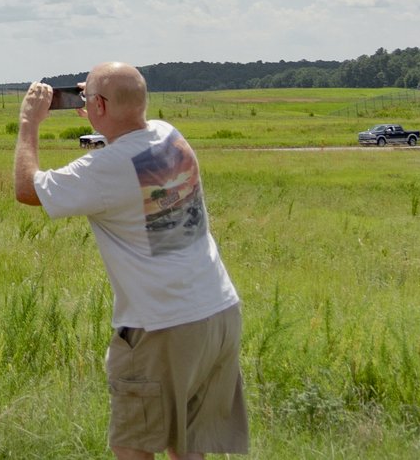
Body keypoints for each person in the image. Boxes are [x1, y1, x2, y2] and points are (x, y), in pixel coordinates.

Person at [15, 64, 248, 460]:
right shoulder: (169, 134)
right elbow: (127, 142)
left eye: (90, 98)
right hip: (217, 309)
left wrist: (28, 123)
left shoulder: (105, 169)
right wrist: (103, 108)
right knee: (188, 448)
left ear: (100, 105)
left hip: (162, 324)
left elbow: (27, 188)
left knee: (132, 445)